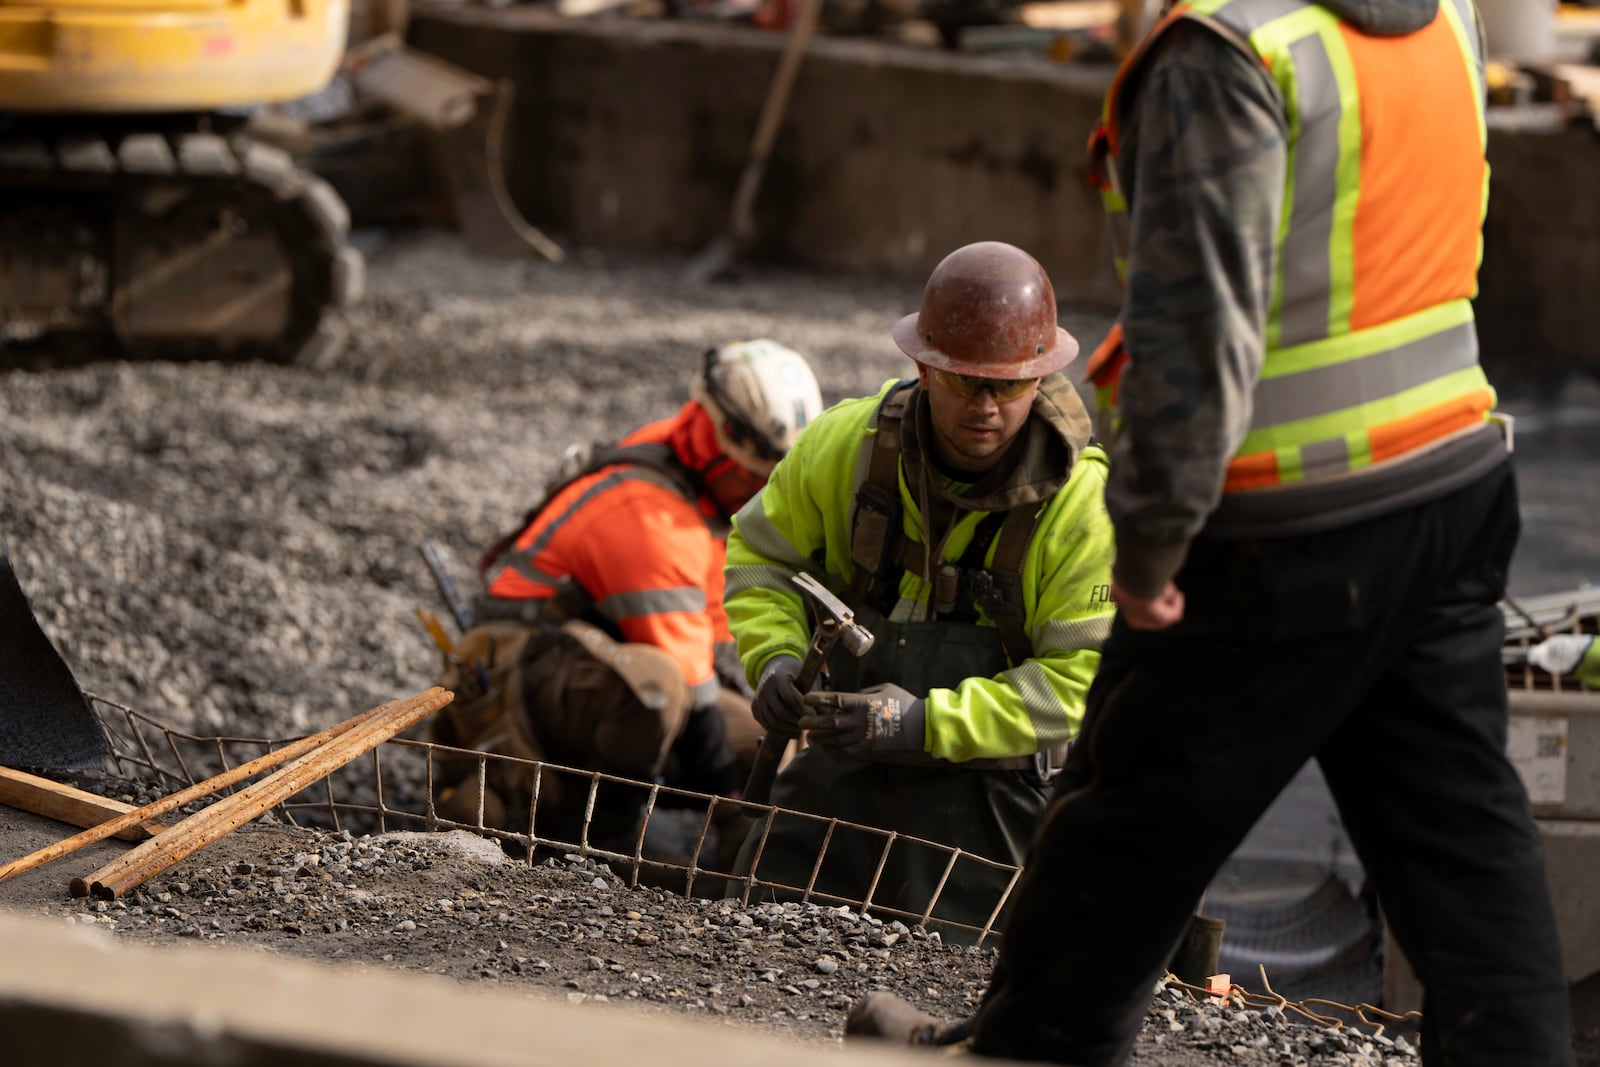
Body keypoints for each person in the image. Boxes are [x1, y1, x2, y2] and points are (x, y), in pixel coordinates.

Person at [848, 0, 1575, 1063]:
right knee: (1462, 843)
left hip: (1284, 515)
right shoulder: (1438, 14)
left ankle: (1020, 1051)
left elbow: (1196, 332)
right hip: (1449, 479)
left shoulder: (1229, 49)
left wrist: (1149, 537)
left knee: (1127, 815)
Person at [722, 241, 1116, 936]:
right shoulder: (847, 447)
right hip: (840, 773)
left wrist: (927, 723)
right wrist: (777, 657)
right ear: (924, 366)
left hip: (993, 802)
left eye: (1011, 385)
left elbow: (1084, 683)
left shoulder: (1081, 507)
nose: (987, 406)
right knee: (751, 926)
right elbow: (761, 558)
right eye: (967, 381)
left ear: (1041, 377)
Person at [428, 340, 823, 858]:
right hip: (519, 670)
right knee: (653, 689)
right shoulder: (650, 515)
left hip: (590, 655)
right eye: (759, 478)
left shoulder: (683, 452)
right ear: (727, 444)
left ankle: (736, 861)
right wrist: (726, 800)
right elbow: (692, 686)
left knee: (765, 737)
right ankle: (593, 839)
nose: (764, 495)